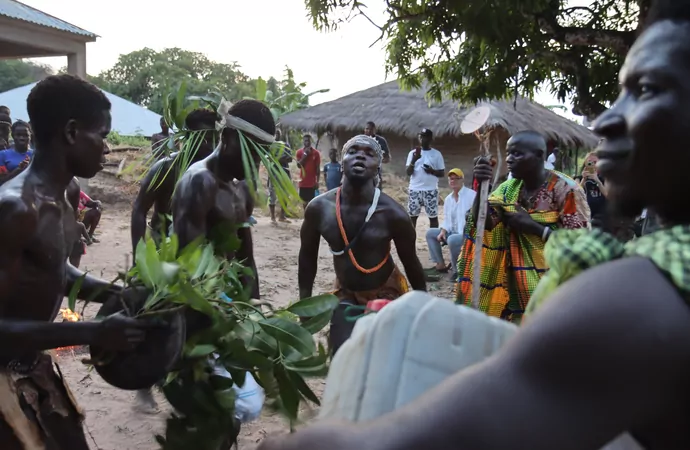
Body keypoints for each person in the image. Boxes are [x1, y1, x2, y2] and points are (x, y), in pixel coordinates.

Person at [257, 4, 690, 449]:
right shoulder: (323, 209)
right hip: (506, 296)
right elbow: (480, 227)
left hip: (539, 293)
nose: (606, 120)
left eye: (648, 88)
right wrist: (486, 191)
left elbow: (435, 434)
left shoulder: (646, 296)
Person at [0, 75, 153, 449]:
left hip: (31, 367)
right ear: (71, 132)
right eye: (102, 135)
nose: (107, 148)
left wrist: (117, 292)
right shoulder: (16, 208)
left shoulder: (64, 194)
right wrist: (91, 333)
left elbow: (54, 270)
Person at [299, 135, 426, 355]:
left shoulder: (393, 215)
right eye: (353, 151)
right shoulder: (318, 209)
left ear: (378, 167)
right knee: (341, 354)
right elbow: (307, 258)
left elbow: (411, 262)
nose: (360, 156)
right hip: (346, 292)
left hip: (387, 293)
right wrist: (304, 305)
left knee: (381, 358)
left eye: (369, 153)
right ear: (341, 162)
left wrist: (424, 305)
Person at [456, 130, 590, 323]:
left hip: (554, 287)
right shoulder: (508, 189)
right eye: (508, 152)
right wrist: (481, 187)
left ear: (539, 156)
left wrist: (536, 228)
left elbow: (581, 246)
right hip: (514, 285)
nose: (509, 159)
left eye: (517, 154)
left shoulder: (565, 189)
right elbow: (484, 223)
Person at [173, 99, 274, 301]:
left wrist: (255, 310)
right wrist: (221, 309)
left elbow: (246, 260)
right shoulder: (200, 182)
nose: (255, 163)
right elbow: (187, 268)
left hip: (224, 297)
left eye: (260, 156)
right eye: (250, 152)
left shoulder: (244, 188)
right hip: (194, 303)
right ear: (227, 137)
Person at [131, 108, 218, 256]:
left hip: (203, 249)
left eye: (214, 140)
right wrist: (139, 256)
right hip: (163, 244)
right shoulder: (166, 168)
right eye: (205, 139)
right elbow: (139, 209)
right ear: (188, 136)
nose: (210, 146)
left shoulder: (217, 172)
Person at [425, 168, 475, 279]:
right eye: (451, 179)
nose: (453, 181)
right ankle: (440, 265)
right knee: (431, 233)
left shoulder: (472, 196)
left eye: (456, 179)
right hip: (453, 232)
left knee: (452, 239)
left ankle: (457, 270)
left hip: (467, 234)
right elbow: (447, 220)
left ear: (462, 180)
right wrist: (443, 231)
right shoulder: (448, 199)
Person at [405, 128, 445, 229]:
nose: (423, 139)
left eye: (425, 137)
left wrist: (432, 171)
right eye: (421, 136)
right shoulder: (412, 154)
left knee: (433, 217)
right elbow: (408, 172)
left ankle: (433, 240)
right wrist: (414, 160)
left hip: (430, 190)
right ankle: (410, 240)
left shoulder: (436, 154)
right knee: (412, 217)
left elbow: (442, 173)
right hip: (415, 189)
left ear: (431, 139)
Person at [267, 129, 292, 224]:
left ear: (281, 135)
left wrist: (277, 159)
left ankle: (282, 216)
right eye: (275, 133)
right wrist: (281, 159)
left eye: (278, 133)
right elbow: (269, 158)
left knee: (285, 194)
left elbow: (290, 158)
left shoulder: (286, 145)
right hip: (273, 172)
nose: (276, 135)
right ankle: (272, 217)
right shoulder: (271, 145)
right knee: (272, 194)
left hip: (284, 173)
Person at [295, 134, 321, 208]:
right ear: (303, 142)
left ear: (311, 142)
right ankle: (306, 217)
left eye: (309, 141)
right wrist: (305, 155)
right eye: (306, 141)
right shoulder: (299, 152)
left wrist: (317, 181)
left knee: (312, 203)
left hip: (312, 183)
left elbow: (317, 169)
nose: (307, 142)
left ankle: (311, 218)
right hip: (303, 182)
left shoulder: (316, 153)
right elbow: (299, 166)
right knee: (304, 203)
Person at [364, 121, 390, 188]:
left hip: (376, 173)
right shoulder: (360, 140)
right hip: (363, 172)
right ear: (364, 129)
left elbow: (387, 158)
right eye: (367, 129)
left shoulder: (381, 141)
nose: (368, 131)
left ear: (374, 130)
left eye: (371, 129)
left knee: (377, 193)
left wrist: (377, 160)